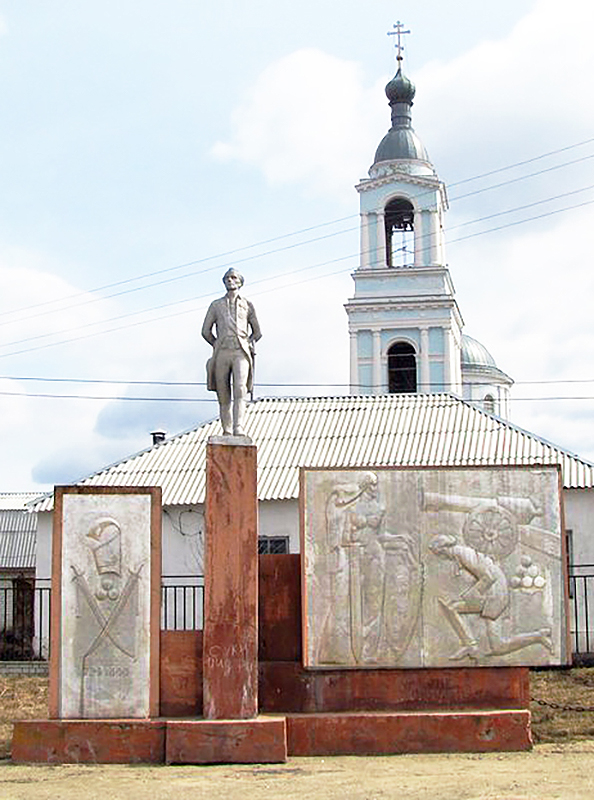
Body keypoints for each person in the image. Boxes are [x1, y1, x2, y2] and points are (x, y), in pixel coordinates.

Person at [201, 268, 262, 436]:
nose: (230, 280)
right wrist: (217, 345)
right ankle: (227, 429)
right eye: (227, 278)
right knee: (223, 391)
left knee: (240, 389)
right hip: (222, 352)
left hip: (240, 351)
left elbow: (257, 332)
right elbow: (205, 331)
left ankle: (238, 427)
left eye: (233, 277)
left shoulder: (248, 305)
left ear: (240, 282)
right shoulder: (216, 305)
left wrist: (247, 342)